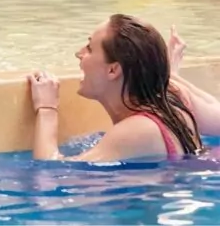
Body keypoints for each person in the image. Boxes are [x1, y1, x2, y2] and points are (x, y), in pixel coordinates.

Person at [27, 14, 220, 162]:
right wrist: (168, 72)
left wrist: (46, 109)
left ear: (113, 70)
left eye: (90, 48)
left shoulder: (137, 130)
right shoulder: (174, 100)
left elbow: (52, 174)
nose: (79, 53)